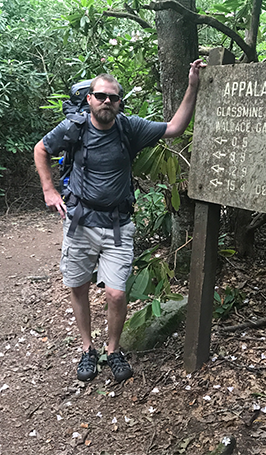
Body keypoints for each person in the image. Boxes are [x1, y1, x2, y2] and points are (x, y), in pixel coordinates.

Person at [34, 59, 206, 382]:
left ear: (119, 102)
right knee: (78, 286)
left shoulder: (129, 127)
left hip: (117, 224)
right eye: (101, 96)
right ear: (89, 99)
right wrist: (49, 190)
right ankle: (88, 349)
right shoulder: (74, 127)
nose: (107, 102)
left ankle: (113, 350)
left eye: (113, 98)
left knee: (116, 293)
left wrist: (193, 85)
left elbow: (175, 128)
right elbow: (40, 150)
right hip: (80, 223)